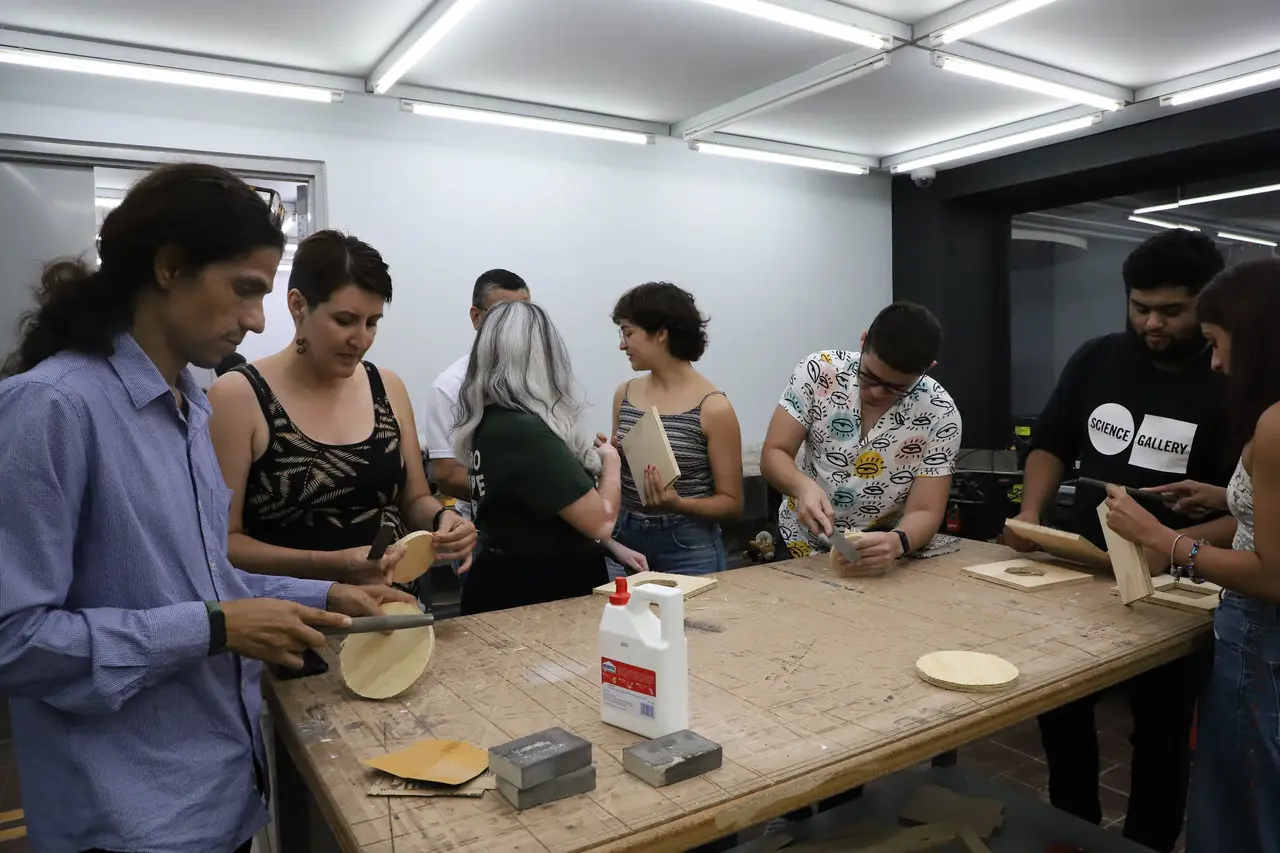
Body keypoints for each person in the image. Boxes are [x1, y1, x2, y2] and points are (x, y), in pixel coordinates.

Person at [0, 163, 414, 853]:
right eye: (244, 291)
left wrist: (328, 594)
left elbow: (203, 585)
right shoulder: (54, 407)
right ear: (168, 268)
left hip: (218, 796)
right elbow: (15, 640)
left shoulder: (188, 406)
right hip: (125, 819)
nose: (256, 320)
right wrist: (214, 628)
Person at [1002, 229, 1234, 852]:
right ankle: (1071, 829)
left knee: (1160, 734)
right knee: (1062, 709)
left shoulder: (1227, 380)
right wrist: (1031, 515)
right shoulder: (1099, 357)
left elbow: (1248, 508)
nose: (1151, 323)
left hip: (1177, 585)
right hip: (1080, 569)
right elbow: (1050, 441)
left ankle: (1147, 843)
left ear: (1206, 306)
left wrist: (1167, 547)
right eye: (1139, 307)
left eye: (1170, 311)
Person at [1098, 258, 1280, 852]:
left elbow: (1273, 576)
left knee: (1241, 817)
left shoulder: (1276, 425)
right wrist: (1230, 499)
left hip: (1262, 645)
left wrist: (1162, 540)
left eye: (1219, 343)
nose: (1218, 362)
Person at [208, 230, 476, 588]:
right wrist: (335, 566)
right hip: (293, 619)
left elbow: (414, 499)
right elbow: (224, 542)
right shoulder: (238, 397)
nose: (361, 340)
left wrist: (445, 520)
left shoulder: (386, 387)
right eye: (344, 321)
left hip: (392, 612)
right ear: (298, 305)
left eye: (372, 323)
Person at [761, 301, 961, 571]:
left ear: (928, 368)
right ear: (864, 340)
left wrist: (897, 542)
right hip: (800, 543)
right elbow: (775, 453)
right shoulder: (819, 372)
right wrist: (802, 487)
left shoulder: (939, 413)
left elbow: (925, 510)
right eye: (869, 377)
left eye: (895, 388)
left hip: (878, 555)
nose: (877, 393)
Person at [452, 300, 618, 615]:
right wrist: (611, 462)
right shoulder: (524, 431)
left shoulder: (489, 421)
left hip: (508, 581)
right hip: (539, 593)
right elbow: (602, 522)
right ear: (544, 358)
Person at [608, 282, 743, 576]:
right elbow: (618, 479)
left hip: (687, 544)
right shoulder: (625, 395)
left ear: (661, 334)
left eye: (628, 333)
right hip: (625, 537)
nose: (622, 344)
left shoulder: (713, 407)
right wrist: (609, 455)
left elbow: (732, 503)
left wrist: (679, 504)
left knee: (692, 622)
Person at [420, 269, 530, 514]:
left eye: (525, 315)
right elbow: (447, 476)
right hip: (483, 528)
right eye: (502, 315)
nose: (516, 326)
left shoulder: (542, 377)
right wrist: (525, 492)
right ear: (476, 317)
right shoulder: (449, 387)